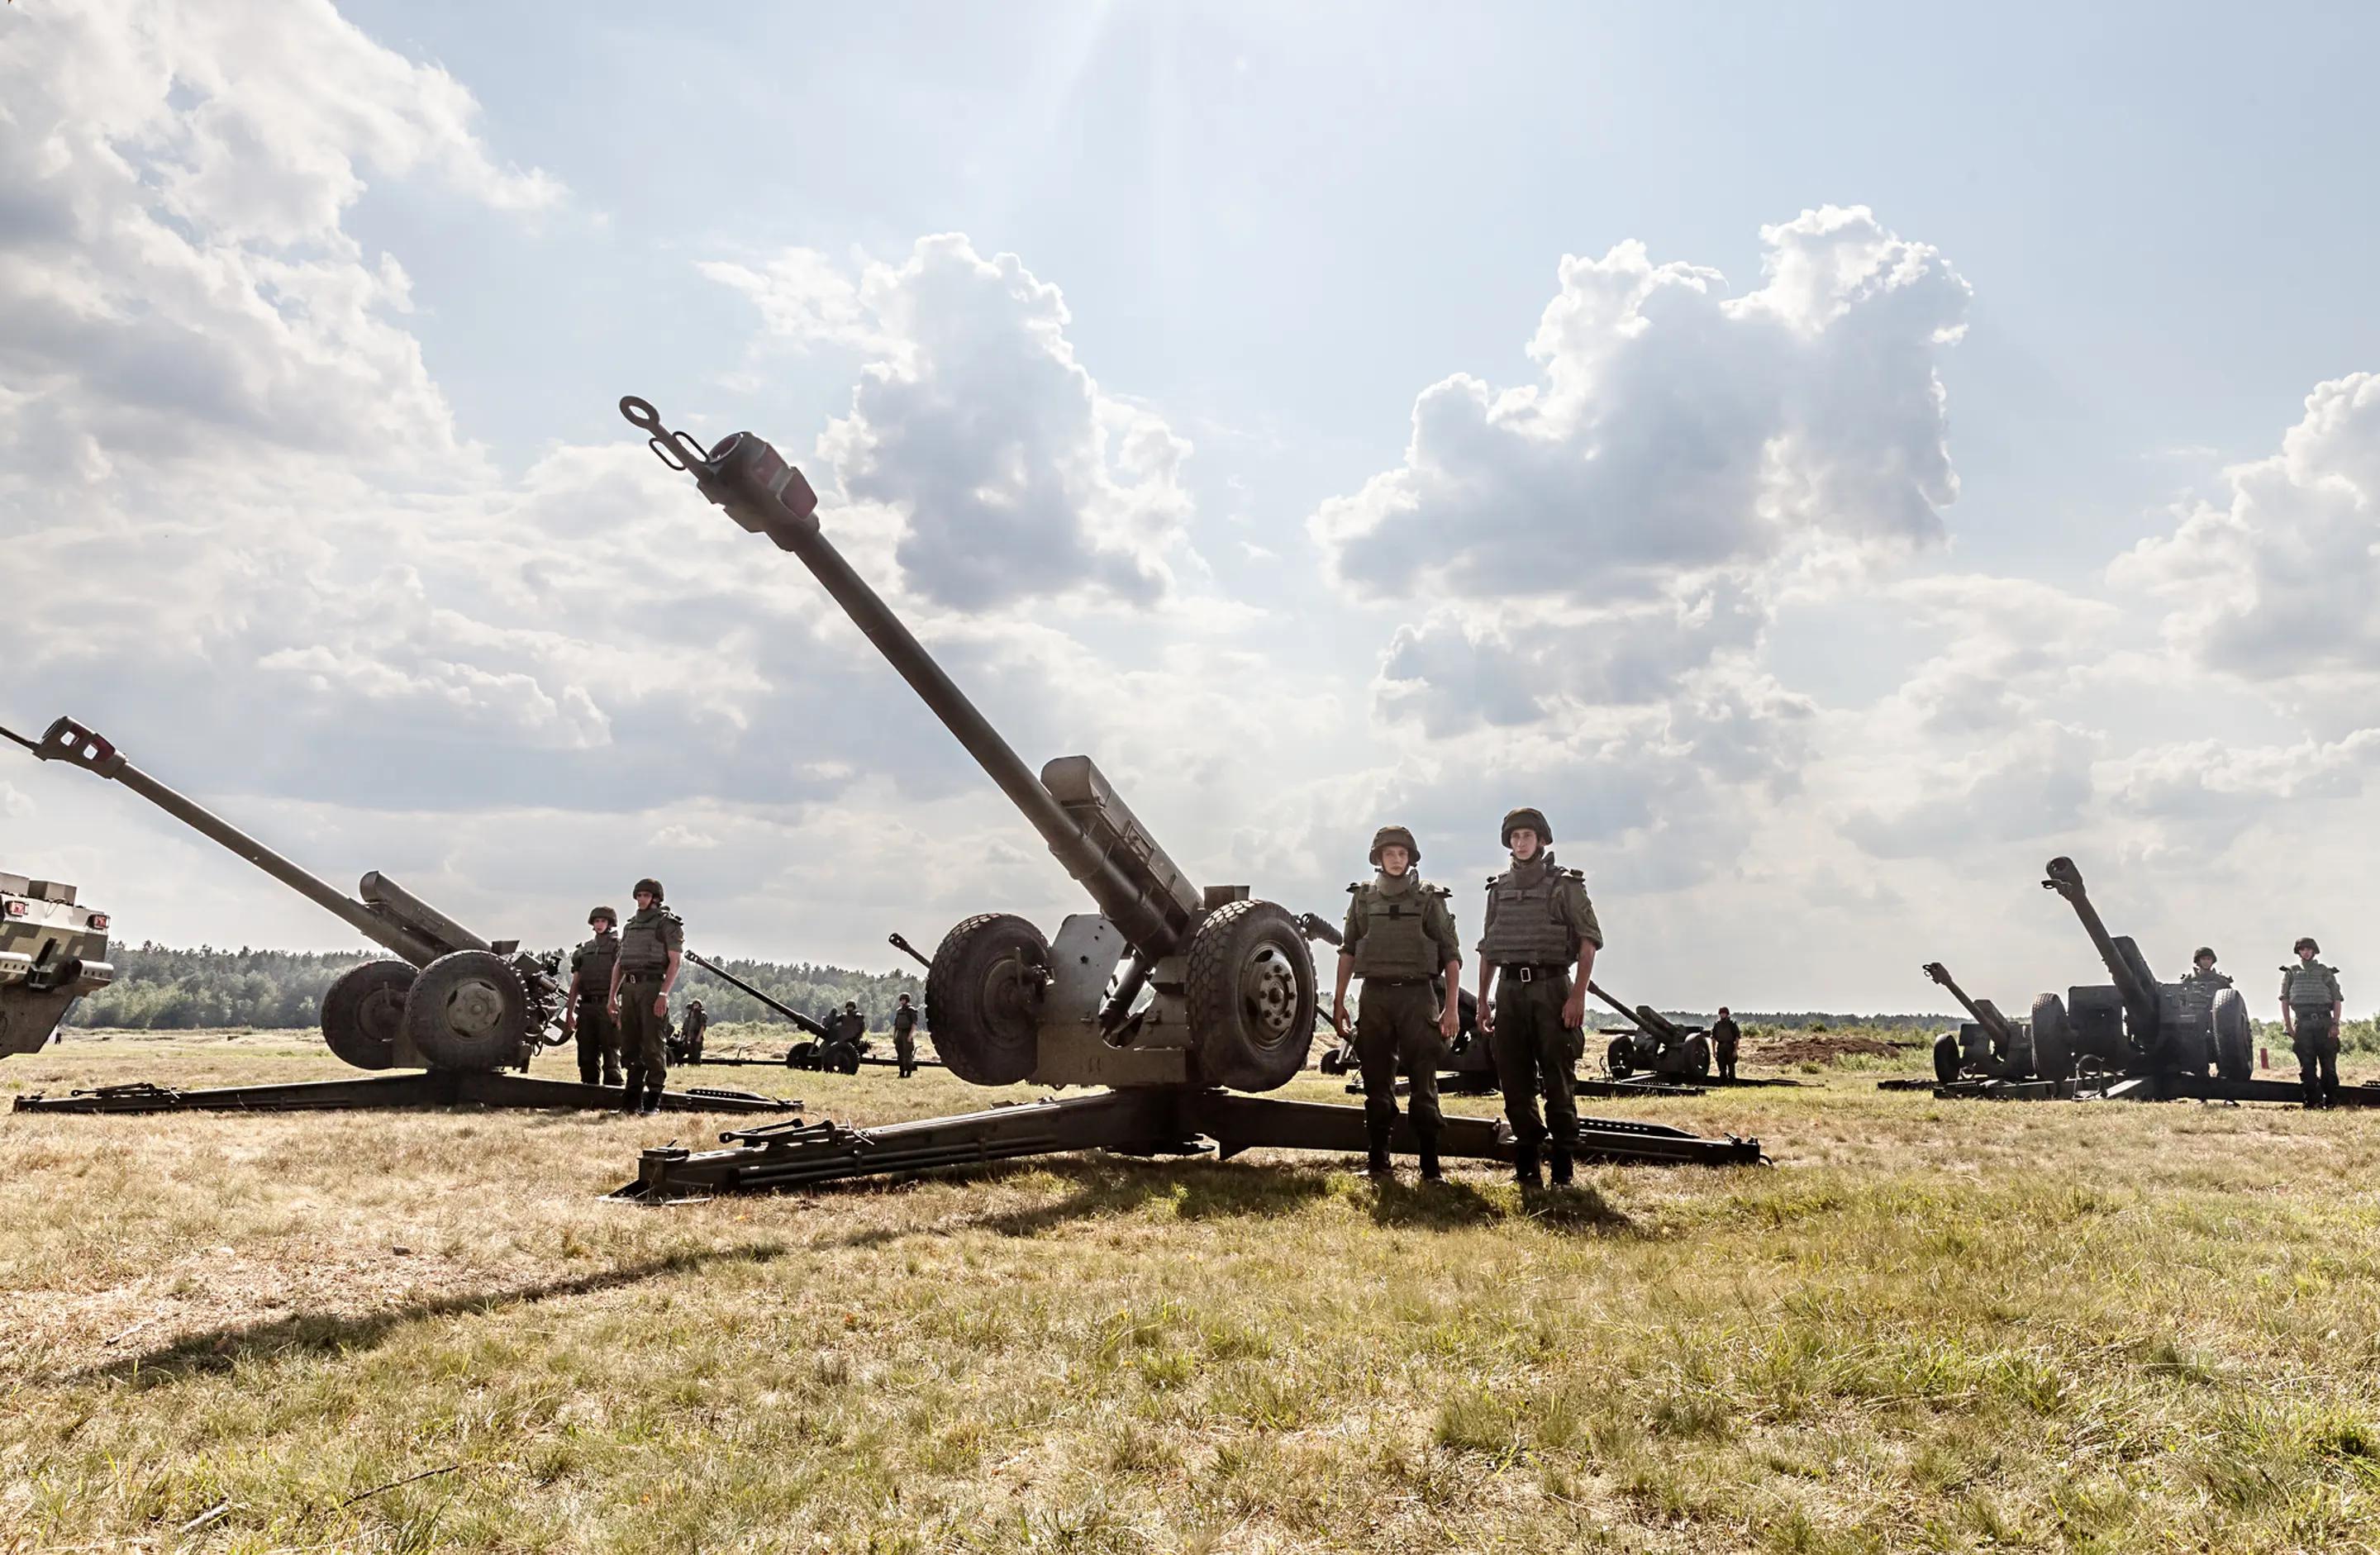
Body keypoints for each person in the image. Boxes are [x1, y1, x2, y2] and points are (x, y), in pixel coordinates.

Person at [1475, 806, 1602, 1189]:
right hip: (1509, 990)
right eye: (1515, 837)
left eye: (1527, 836)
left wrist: (1577, 996)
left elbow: (1589, 942)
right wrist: (1483, 1001)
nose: (1520, 843)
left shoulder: (1566, 886)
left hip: (1552, 988)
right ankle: (1527, 1165)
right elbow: (1488, 949)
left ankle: (1563, 1168)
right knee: (1514, 1081)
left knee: (1558, 1078)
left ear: (1541, 840)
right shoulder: (1498, 889)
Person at [1330, 825, 1463, 1182]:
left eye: (1402, 854)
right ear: (1378, 857)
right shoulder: (1363, 898)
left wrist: (1451, 1007)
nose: (1396, 859)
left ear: (1411, 858)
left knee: (1423, 1082)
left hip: (1417, 996)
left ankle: (1431, 1169)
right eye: (1389, 853)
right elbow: (1348, 951)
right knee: (1376, 1084)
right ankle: (1378, 1164)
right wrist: (1339, 1000)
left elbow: (1451, 956)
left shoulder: (1429, 899)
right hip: (1375, 996)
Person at [607, 877, 683, 1115]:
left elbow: (675, 962)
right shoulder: (630, 926)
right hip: (630, 989)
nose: (641, 900)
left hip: (652, 987)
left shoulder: (667, 924)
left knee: (652, 1045)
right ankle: (631, 1103)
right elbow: (620, 964)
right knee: (630, 1045)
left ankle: (652, 1103)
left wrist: (663, 994)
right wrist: (612, 997)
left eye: (646, 895)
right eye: (639, 895)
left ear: (656, 899)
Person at [560, 906, 623, 1087]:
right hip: (586, 1007)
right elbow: (575, 984)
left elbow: (624, 979)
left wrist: (620, 1012)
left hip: (608, 1005)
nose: (600, 924)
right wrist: (569, 1013)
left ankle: (613, 1092)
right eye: (597, 921)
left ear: (610, 924)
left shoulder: (618, 948)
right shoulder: (583, 951)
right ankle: (589, 1093)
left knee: (611, 1053)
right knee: (586, 1054)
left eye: (603, 921)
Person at [2280, 937, 2343, 1110]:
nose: (2306, 952)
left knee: (2328, 1066)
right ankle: (2312, 1102)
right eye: (2302, 949)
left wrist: (2335, 1024)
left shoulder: (2324, 972)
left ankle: (2331, 1101)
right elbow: (2285, 1000)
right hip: (2303, 1024)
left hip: (2324, 1023)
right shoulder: (2291, 972)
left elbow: (2337, 999)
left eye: (2309, 949)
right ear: (2298, 952)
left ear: (2314, 951)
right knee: (2307, 1067)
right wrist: (2288, 1026)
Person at [892, 993, 920, 1078]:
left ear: (907, 1000)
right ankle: (901, 1072)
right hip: (900, 1033)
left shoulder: (911, 1010)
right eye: (901, 1000)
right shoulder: (899, 1011)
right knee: (900, 1054)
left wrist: (910, 1036)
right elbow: (896, 1025)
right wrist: (894, 1036)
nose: (902, 1001)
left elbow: (914, 1024)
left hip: (907, 1033)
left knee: (907, 1054)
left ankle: (908, 1073)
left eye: (904, 999)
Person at [1711, 1006, 1741, 1082]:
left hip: (1730, 1046)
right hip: (1720, 1046)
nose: (1722, 1015)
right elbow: (1713, 1038)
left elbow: (1737, 1038)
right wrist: (1713, 1051)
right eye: (1721, 1013)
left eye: (1724, 1013)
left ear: (1727, 1014)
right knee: (1721, 1065)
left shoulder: (1732, 1024)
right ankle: (1723, 1082)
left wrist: (1735, 1050)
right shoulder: (1717, 1024)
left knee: (1731, 1066)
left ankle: (1732, 1082)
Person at [678, 997, 708, 1064]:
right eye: (694, 1005)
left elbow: (703, 1027)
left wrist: (699, 1037)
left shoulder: (701, 1015)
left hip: (696, 1036)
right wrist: (682, 1037)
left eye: (697, 1005)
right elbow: (684, 1027)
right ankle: (691, 1065)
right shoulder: (689, 1016)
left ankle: (696, 1064)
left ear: (700, 1006)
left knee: (696, 1053)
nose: (695, 1007)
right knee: (690, 1053)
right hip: (689, 1037)